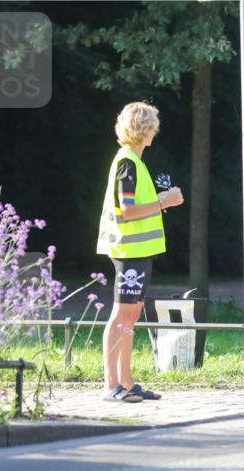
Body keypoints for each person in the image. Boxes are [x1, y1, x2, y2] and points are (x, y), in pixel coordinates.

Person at [97, 101, 184, 402]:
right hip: (128, 250)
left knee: (131, 315)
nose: (155, 132)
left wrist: (161, 199)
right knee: (122, 314)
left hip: (138, 250)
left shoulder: (134, 161)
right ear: (145, 130)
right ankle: (111, 385)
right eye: (152, 127)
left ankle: (127, 381)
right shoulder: (128, 163)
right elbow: (128, 211)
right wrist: (164, 201)